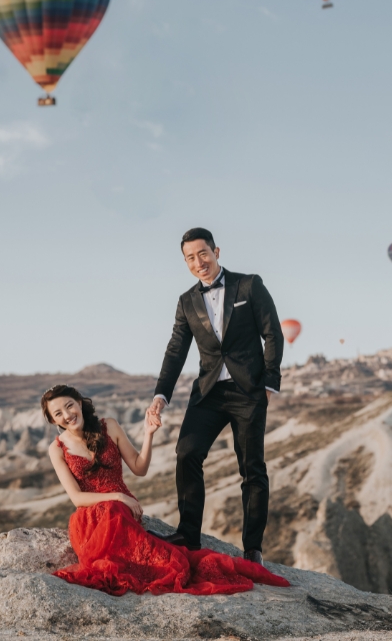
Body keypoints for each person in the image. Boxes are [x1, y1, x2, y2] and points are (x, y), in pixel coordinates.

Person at [42, 384, 288, 595]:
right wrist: (118, 496)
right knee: (158, 563)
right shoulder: (57, 448)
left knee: (176, 563)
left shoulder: (110, 426)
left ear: (80, 403)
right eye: (58, 413)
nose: (67, 415)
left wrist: (148, 435)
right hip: (93, 519)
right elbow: (76, 498)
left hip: (122, 514)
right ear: (53, 421)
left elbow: (140, 468)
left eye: (69, 406)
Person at [147, 227, 284, 565]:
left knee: (251, 469)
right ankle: (188, 534)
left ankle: (252, 549)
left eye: (203, 254)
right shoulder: (186, 301)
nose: (199, 262)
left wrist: (269, 384)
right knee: (186, 452)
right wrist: (161, 395)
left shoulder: (249, 285)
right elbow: (175, 350)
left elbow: (273, 333)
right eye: (190, 258)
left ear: (216, 251)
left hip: (248, 391)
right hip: (208, 392)